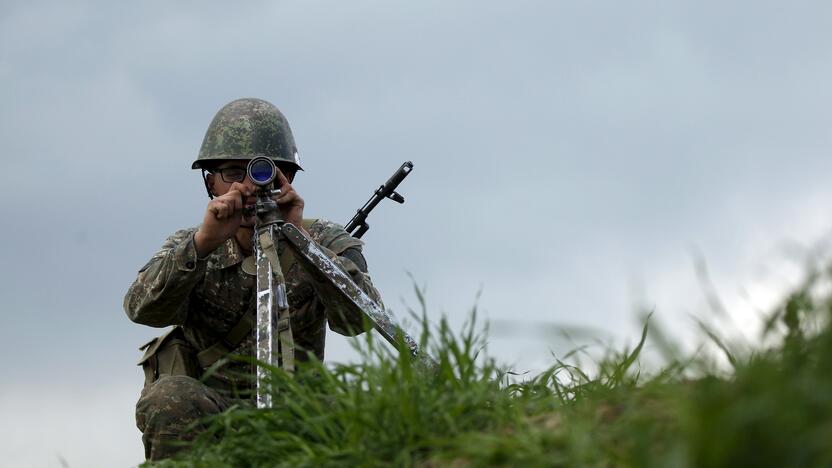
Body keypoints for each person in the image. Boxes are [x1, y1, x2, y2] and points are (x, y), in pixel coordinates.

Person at [124, 98, 383, 461]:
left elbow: (361, 320)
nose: (247, 186)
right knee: (170, 397)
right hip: (212, 409)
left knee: (367, 408)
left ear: (286, 178)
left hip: (299, 408)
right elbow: (140, 308)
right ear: (210, 181)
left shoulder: (323, 239)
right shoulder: (192, 244)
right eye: (232, 172)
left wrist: (301, 241)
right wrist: (205, 242)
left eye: (263, 173)